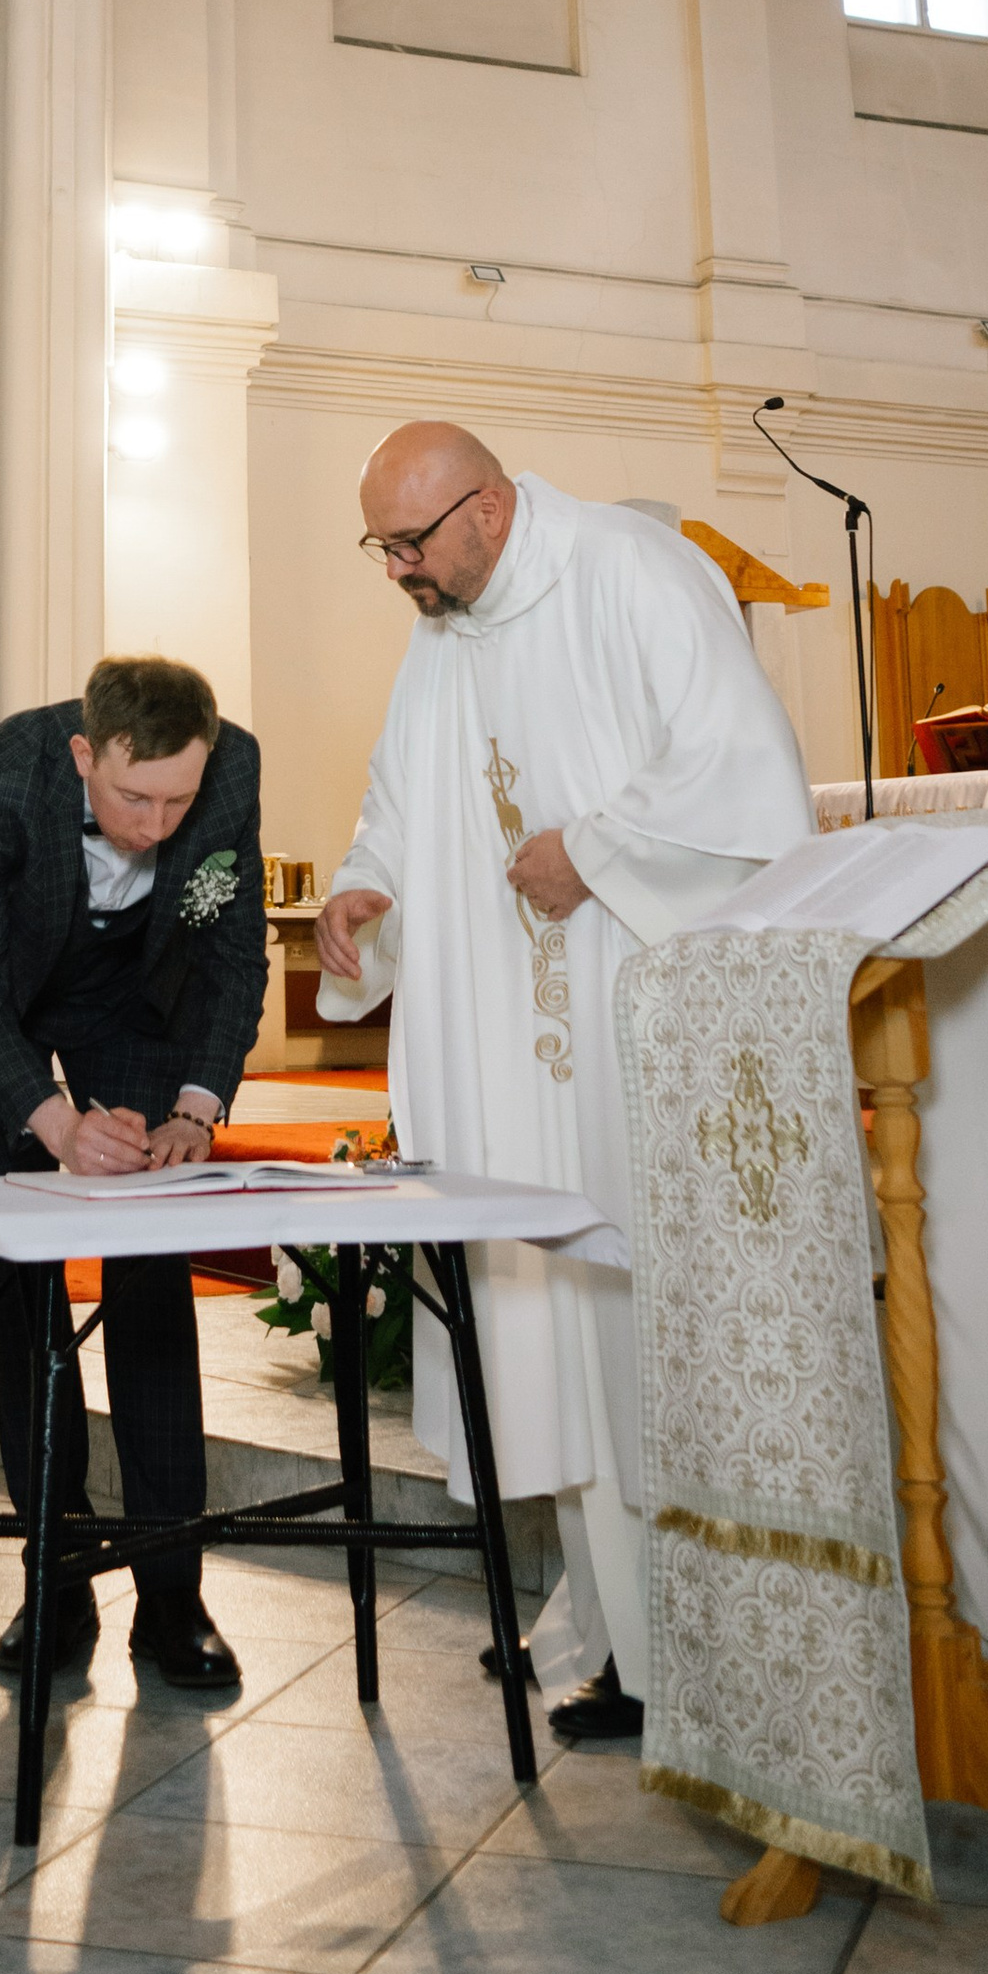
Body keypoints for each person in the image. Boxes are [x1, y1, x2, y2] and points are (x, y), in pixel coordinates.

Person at [316, 422, 811, 1743]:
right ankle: (604, 1634)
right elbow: (400, 797)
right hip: (509, 1061)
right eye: (383, 548)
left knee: (625, 1335)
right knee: (549, 1343)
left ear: (486, 506)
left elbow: (743, 775)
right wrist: (369, 884)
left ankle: (682, 1659)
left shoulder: (633, 573)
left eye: (409, 545)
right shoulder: (445, 625)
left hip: (619, 1044)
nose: (397, 573)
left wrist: (593, 850)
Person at [0, 653, 267, 1693]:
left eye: (175, 802)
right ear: (81, 755)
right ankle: (54, 1579)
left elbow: (233, 952)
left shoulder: (228, 773)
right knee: (22, 1285)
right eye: (131, 797)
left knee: (151, 1275)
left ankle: (171, 1593)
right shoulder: (3, 773)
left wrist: (197, 1104)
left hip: (131, 1004)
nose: (155, 826)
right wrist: (55, 1122)